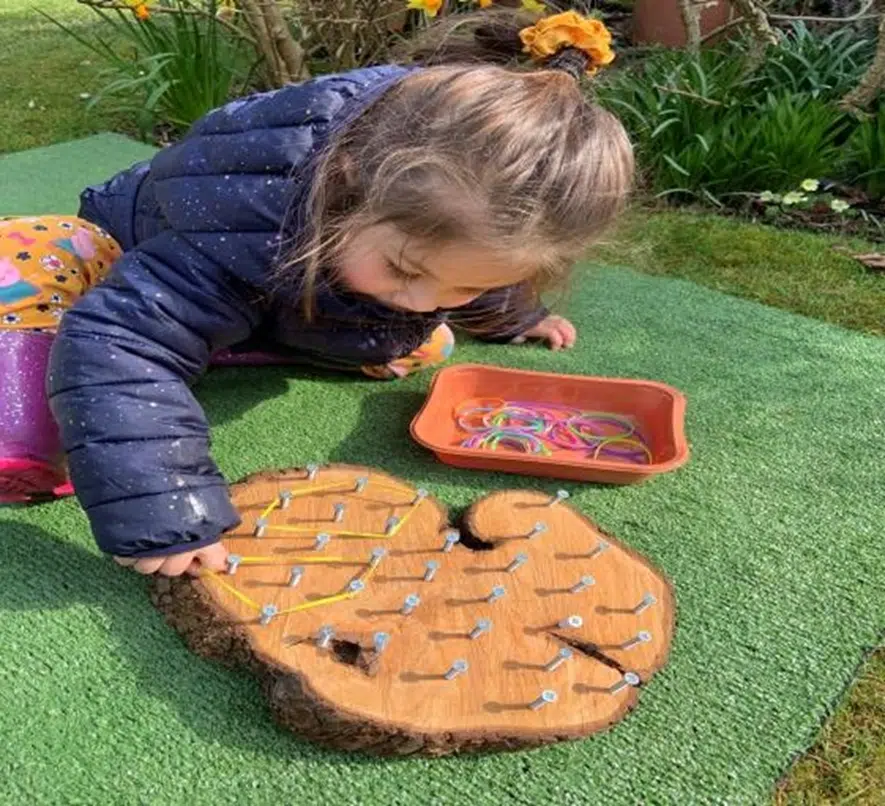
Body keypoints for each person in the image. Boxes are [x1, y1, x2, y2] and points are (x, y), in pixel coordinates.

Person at [0, 10, 633, 576]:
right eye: (406, 270)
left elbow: (475, 264)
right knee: (45, 250)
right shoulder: (241, 228)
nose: (421, 299)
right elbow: (120, 342)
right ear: (348, 188)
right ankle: (22, 425)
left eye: (465, 285)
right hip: (137, 253)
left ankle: (219, 343)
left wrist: (516, 314)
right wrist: (166, 508)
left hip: (276, 295)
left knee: (427, 342)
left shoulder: (441, 233)